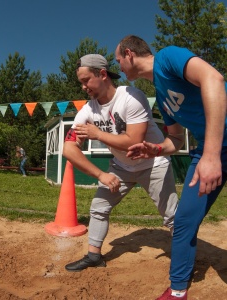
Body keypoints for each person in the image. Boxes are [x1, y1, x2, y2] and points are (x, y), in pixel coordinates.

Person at [115, 35, 227, 300]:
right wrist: (154, 149)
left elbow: (214, 79)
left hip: (212, 150)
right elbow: (175, 139)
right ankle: (177, 291)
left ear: (129, 54)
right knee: (184, 219)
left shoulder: (168, 57)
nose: (118, 66)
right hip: (211, 150)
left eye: (118, 59)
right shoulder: (161, 95)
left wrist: (211, 155)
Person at [62, 53, 179, 272]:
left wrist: (97, 134)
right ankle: (93, 256)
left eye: (86, 80)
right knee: (98, 208)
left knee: (171, 216)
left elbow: (134, 141)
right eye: (81, 83)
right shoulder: (88, 109)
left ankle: (183, 261)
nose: (83, 87)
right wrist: (101, 175)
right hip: (121, 167)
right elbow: (68, 148)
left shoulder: (131, 97)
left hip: (153, 164)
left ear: (103, 74)